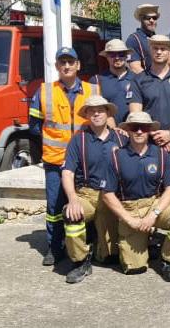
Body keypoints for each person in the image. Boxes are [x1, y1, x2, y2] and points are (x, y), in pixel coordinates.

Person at [101, 111, 170, 281]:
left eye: (144, 127)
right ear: (127, 130)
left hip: (154, 204)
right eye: (135, 127)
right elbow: (107, 195)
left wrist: (153, 215)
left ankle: (167, 260)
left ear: (150, 130)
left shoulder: (160, 154)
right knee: (135, 269)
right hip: (130, 209)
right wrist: (129, 220)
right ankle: (146, 245)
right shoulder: (115, 156)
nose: (139, 131)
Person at [29, 46, 99, 265]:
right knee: (54, 207)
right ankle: (54, 247)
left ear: (78, 65)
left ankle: (88, 245)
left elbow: (100, 122)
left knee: (87, 205)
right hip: (55, 160)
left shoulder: (92, 91)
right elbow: (34, 127)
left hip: (85, 161)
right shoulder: (44, 91)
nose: (67, 66)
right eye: (62, 62)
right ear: (57, 66)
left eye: (71, 62)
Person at [61, 96, 127, 283]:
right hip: (87, 195)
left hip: (113, 197)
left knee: (110, 258)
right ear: (87, 114)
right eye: (92, 110)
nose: (96, 113)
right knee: (71, 215)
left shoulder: (122, 138)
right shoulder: (78, 140)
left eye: (100, 110)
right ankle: (80, 262)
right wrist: (73, 199)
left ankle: (102, 248)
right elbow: (67, 173)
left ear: (108, 113)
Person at [129, 34, 170, 151]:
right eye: (155, 48)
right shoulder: (138, 80)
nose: (159, 52)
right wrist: (157, 136)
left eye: (163, 49)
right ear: (150, 50)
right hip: (149, 145)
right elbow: (136, 114)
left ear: (169, 52)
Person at [91, 39, 135, 127]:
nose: (117, 57)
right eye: (112, 54)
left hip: (133, 132)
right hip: (106, 134)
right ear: (106, 56)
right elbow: (94, 109)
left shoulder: (138, 79)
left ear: (126, 56)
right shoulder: (96, 80)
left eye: (121, 54)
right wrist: (113, 131)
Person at [126, 4, 160, 74]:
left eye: (154, 17)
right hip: (144, 83)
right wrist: (151, 81)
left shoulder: (158, 38)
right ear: (141, 19)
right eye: (147, 18)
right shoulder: (133, 39)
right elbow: (135, 68)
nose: (151, 20)